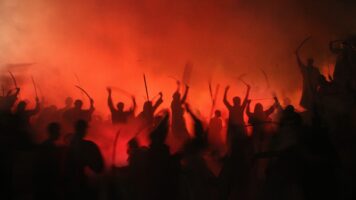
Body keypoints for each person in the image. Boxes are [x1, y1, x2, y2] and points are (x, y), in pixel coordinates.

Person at [64, 120, 104, 200]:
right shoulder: (87, 145)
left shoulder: (68, 145)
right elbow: (98, 167)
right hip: (79, 182)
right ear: (84, 130)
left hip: (68, 184)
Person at [34, 122, 63, 200]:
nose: (60, 133)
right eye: (58, 131)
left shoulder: (47, 145)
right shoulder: (49, 146)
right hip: (47, 186)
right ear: (54, 132)